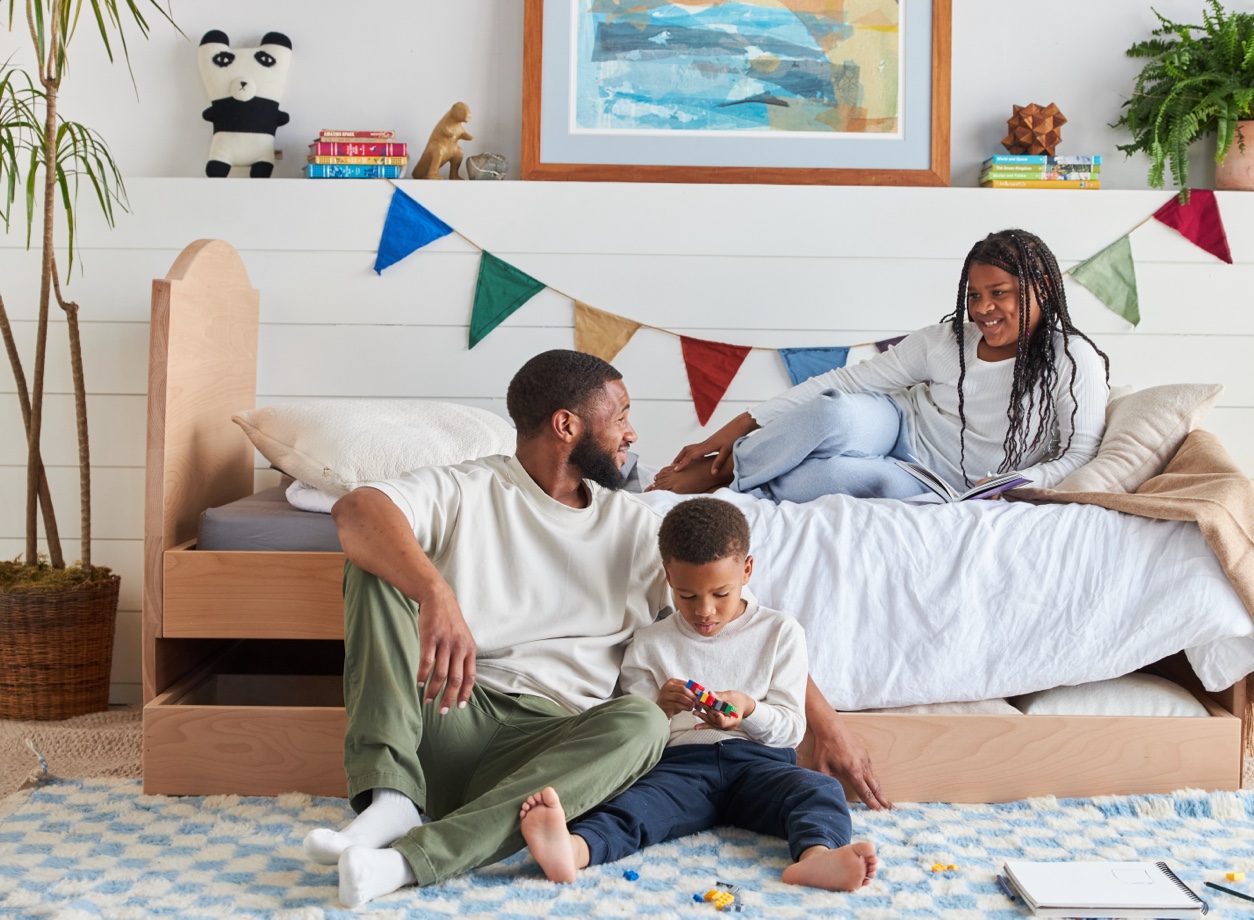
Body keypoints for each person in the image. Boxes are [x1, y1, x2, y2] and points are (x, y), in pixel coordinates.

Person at [300, 349, 888, 908]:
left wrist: (826, 725)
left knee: (641, 721)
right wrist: (435, 593)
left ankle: (407, 861)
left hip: (555, 748)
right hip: (451, 709)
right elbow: (357, 510)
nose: (632, 433)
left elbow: (741, 622)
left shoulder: (634, 526)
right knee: (372, 569)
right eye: (622, 415)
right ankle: (392, 798)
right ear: (566, 425)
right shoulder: (470, 487)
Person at [516, 497, 881, 891]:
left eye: (720, 594)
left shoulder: (780, 632)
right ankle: (574, 850)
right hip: (681, 765)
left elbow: (791, 731)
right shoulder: (650, 643)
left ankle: (817, 858)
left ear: (747, 570)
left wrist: (748, 709)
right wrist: (661, 709)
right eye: (687, 596)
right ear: (669, 578)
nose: (704, 611)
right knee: (634, 803)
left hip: (758, 763)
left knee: (818, 790)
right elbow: (638, 734)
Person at [650, 228, 1110, 503]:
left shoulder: (1072, 360)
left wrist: (1014, 483)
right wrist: (729, 432)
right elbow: (845, 379)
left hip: (934, 479)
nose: (983, 309)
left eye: (999, 293)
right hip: (895, 426)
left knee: (828, 477)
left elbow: (1080, 452)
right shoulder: (946, 341)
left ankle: (741, 477)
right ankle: (725, 469)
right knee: (834, 410)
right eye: (974, 295)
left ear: (1044, 286)